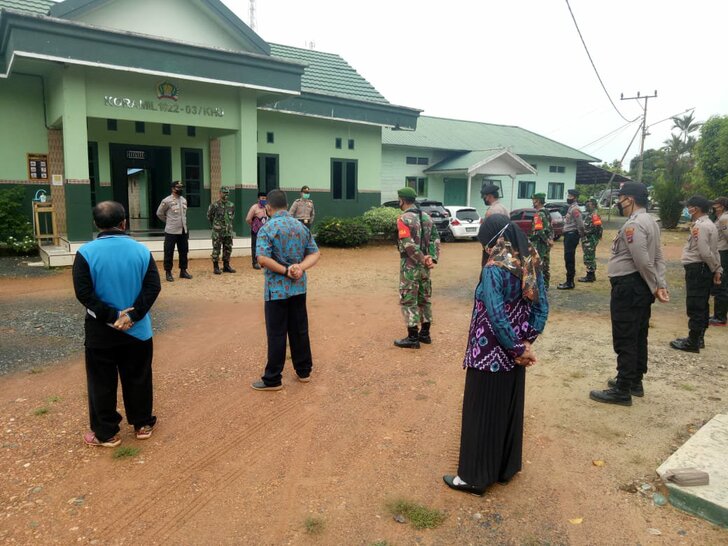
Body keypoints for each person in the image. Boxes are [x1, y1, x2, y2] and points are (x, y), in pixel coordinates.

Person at [443, 214, 548, 495]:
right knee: (506, 411)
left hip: (488, 354)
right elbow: (542, 308)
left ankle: (474, 478)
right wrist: (525, 343)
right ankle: (504, 469)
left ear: (491, 241)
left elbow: (495, 314)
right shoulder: (528, 261)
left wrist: (514, 347)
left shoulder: (494, 269)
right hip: (515, 358)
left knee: (480, 415)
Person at [72, 201, 161, 447]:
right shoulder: (141, 251)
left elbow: (84, 294)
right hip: (138, 330)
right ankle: (142, 424)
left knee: (101, 381)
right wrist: (131, 316)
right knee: (139, 376)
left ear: (95, 224)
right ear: (124, 223)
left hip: (101, 332)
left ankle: (106, 432)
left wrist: (112, 316)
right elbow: (153, 287)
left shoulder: (85, 253)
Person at [589, 182, 669, 406]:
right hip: (639, 287)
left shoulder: (635, 224)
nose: (619, 202)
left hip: (630, 287)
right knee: (638, 334)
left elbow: (643, 259)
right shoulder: (651, 221)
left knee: (625, 336)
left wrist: (655, 285)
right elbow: (658, 258)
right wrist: (658, 283)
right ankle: (634, 381)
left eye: (621, 197)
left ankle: (622, 390)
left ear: (630, 199)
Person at [251, 189, 320, 391]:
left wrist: (285, 271)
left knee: (276, 333)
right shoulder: (300, 227)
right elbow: (315, 254)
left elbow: (262, 259)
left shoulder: (267, 228)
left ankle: (273, 379)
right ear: (286, 204)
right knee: (300, 330)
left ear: (269, 207)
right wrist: (300, 268)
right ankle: (304, 371)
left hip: (276, 291)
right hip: (299, 288)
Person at [670, 195, 723, 353]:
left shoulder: (701, 226)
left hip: (698, 268)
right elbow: (715, 251)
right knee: (702, 304)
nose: (687, 209)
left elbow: (705, 252)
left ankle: (692, 342)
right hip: (703, 268)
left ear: (696, 209)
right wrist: (717, 268)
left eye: (689, 206)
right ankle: (698, 338)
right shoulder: (709, 224)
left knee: (695, 305)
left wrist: (715, 268)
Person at [393, 187, 440, 349]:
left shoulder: (403, 219)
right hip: (425, 266)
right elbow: (435, 238)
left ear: (402, 200)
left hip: (410, 265)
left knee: (408, 298)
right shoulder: (426, 217)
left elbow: (408, 244)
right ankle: (425, 334)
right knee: (424, 298)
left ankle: (413, 338)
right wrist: (431, 258)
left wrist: (421, 259)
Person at [156, 180, 192, 282]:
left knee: (184, 251)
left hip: (183, 231)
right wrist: (168, 222)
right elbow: (159, 213)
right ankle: (168, 272)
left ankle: (183, 271)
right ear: (172, 189)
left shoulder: (184, 200)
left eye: (181, 187)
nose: (180, 189)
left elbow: (184, 215)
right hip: (171, 231)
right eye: (178, 187)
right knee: (168, 252)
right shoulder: (166, 201)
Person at [557, 189, 585, 290]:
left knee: (569, 259)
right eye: (568, 196)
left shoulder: (575, 209)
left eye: (570, 196)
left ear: (575, 198)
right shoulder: (571, 208)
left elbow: (580, 224)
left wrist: (581, 235)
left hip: (572, 235)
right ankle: (569, 281)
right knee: (568, 258)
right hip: (569, 235)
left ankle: (570, 282)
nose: (568, 198)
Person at [207, 186, 236, 275]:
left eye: (227, 193)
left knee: (228, 249)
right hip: (218, 232)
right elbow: (209, 217)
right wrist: (216, 226)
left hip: (228, 231)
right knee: (216, 249)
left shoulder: (231, 205)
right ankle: (216, 267)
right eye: (224, 193)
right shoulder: (214, 205)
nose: (225, 195)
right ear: (219, 193)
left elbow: (232, 217)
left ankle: (226, 266)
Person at [709, 196, 728, 326]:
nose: (713, 207)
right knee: (720, 284)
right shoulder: (720, 218)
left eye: (715, 205)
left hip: (723, 253)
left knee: (721, 284)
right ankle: (718, 314)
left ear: (721, 206)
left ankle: (720, 317)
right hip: (720, 253)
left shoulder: (724, 219)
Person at [529, 192, 553, 289]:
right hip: (546, 244)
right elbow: (551, 227)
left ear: (537, 201)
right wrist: (550, 239)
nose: (533, 202)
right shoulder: (547, 213)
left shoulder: (538, 214)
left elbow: (539, 230)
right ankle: (546, 286)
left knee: (538, 265)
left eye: (533, 200)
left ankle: (541, 287)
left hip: (539, 243)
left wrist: (546, 240)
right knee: (545, 265)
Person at [578, 198, 603, 283]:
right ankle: (590, 275)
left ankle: (590, 276)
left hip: (590, 239)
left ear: (593, 205)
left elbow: (598, 227)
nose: (587, 206)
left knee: (589, 257)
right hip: (587, 238)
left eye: (589, 205)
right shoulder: (590, 214)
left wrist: (594, 237)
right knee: (588, 256)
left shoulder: (594, 215)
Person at [246, 191, 269, 270]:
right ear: (258, 199)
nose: (264, 200)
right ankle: (255, 262)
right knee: (255, 246)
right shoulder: (254, 207)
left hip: (264, 231)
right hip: (256, 230)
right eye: (262, 198)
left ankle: (262, 262)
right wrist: (254, 225)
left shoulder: (266, 208)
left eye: (265, 199)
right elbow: (248, 219)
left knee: (263, 246)